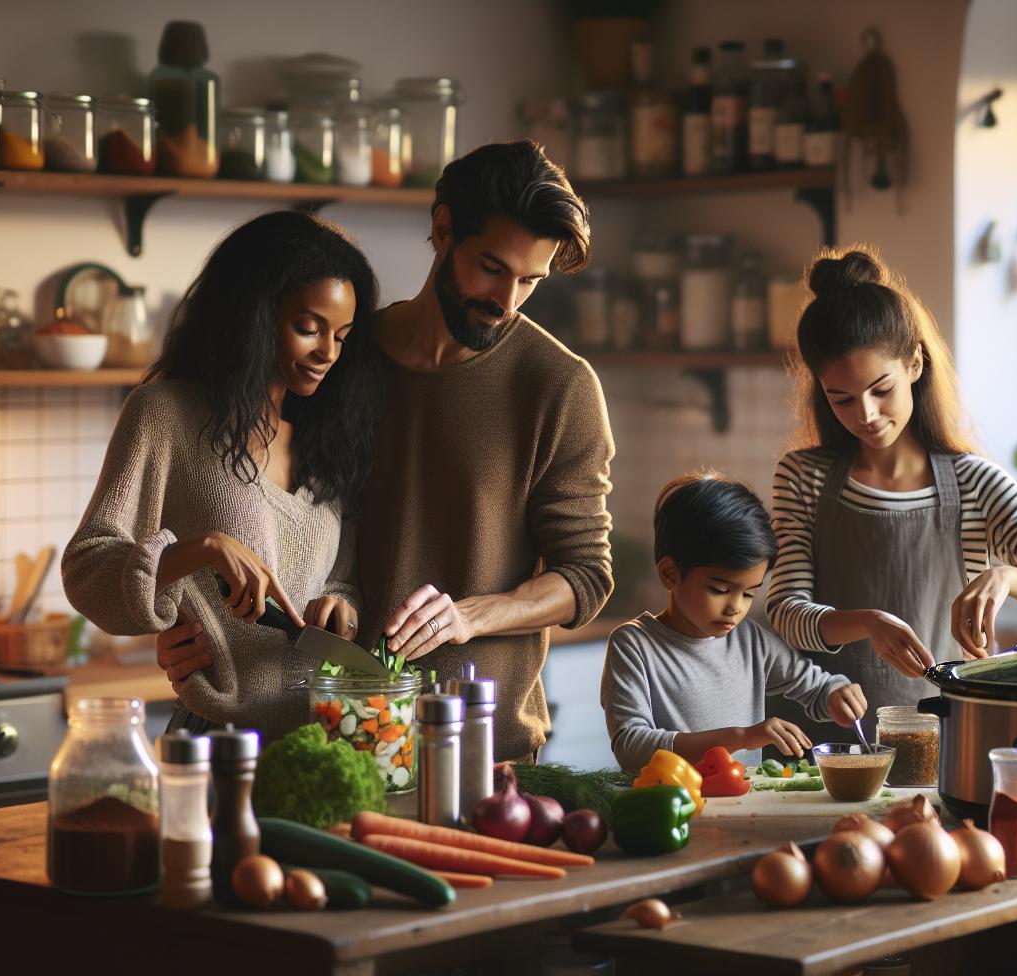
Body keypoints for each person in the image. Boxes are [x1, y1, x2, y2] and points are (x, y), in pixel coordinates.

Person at [156, 141, 614, 763]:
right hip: (321, 733)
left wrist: (470, 617)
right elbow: (243, 496)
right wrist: (190, 626)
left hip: (475, 744)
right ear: (443, 229)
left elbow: (585, 575)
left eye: (530, 281)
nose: (506, 302)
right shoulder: (338, 356)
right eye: (492, 267)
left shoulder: (559, 386)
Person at [64, 211, 382, 739]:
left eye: (342, 337)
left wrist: (341, 609)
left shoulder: (329, 438)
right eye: (309, 328)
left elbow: (342, 577)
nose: (328, 353)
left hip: (328, 740)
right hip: (220, 741)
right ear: (254, 315)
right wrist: (201, 549)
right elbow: (87, 569)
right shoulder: (166, 414)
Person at [766, 247, 1017, 740]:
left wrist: (1006, 578)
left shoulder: (976, 483)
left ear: (915, 363)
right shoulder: (802, 477)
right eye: (843, 399)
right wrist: (869, 623)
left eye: (881, 390)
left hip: (949, 738)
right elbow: (789, 612)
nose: (867, 414)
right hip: (828, 744)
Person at [601, 473, 868, 774]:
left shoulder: (750, 641)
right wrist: (742, 738)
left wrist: (837, 693)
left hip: (744, 810)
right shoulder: (633, 646)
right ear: (670, 574)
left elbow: (816, 687)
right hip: (669, 806)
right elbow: (632, 748)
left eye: (749, 593)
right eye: (720, 590)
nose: (735, 608)